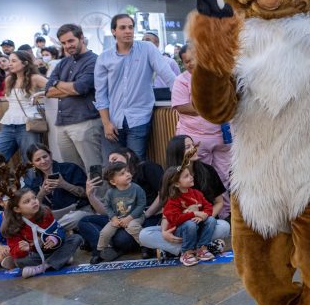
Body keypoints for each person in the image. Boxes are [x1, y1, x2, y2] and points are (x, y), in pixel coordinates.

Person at [94, 14, 177, 161]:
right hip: (113, 120)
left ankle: (136, 185)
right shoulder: (104, 57)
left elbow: (169, 77)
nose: (128, 31)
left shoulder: (147, 49)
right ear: (114, 31)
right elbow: (101, 94)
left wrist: (183, 99)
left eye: (131, 27)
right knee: (113, 166)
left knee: (135, 165)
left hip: (139, 118)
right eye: (123, 27)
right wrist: (106, 123)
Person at [78, 147, 163, 263]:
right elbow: (105, 211)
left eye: (114, 158)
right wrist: (91, 195)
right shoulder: (115, 182)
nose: (112, 163)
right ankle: (104, 250)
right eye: (110, 162)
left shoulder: (146, 167)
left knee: (121, 239)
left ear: (127, 155)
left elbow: (163, 193)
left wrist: (146, 214)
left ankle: (106, 246)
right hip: (119, 219)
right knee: (84, 221)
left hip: (143, 216)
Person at [45, 24, 103, 173]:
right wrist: (70, 88)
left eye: (71, 41)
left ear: (81, 38)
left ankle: (98, 197)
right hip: (62, 124)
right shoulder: (64, 62)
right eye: (63, 43)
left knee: (94, 170)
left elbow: (80, 88)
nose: (67, 46)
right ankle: (79, 197)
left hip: (86, 122)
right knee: (72, 172)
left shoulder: (94, 60)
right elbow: (48, 91)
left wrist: (57, 83)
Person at [171, 44, 231, 185]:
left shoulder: (220, 75)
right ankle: (205, 206)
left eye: (195, 58)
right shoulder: (181, 80)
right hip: (196, 138)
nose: (192, 63)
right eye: (187, 61)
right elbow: (182, 107)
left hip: (223, 137)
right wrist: (210, 107)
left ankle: (225, 207)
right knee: (200, 176)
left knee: (224, 177)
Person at [3, 187, 82, 278]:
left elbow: (59, 230)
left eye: (34, 198)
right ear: (17, 209)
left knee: (76, 238)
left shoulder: (45, 213)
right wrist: (23, 249)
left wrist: (55, 238)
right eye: (27, 201)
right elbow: (14, 250)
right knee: (19, 261)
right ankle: (62, 258)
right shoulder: (14, 226)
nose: (34, 202)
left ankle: (41, 268)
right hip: (37, 255)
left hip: (55, 248)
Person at [0, 51, 47, 161]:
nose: (10, 64)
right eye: (9, 61)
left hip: (28, 125)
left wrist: (40, 93)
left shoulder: (35, 78)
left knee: (30, 161)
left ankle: (32, 179)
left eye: (14, 61)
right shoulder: (9, 79)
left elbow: (55, 88)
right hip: (8, 125)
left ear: (25, 63)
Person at [23, 143, 90, 230]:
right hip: (55, 217)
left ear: (50, 155)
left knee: (77, 217)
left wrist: (64, 185)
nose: (43, 161)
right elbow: (35, 209)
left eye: (45, 157)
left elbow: (86, 193)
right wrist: (42, 193)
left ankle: (51, 231)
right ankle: (54, 231)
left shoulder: (70, 168)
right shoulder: (35, 182)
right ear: (32, 163)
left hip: (77, 211)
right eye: (38, 160)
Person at [161, 163, 216, 266]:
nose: (191, 177)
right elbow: (175, 219)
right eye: (186, 176)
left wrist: (204, 215)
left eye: (190, 174)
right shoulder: (172, 200)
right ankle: (187, 253)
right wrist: (194, 213)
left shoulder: (196, 193)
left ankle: (201, 249)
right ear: (177, 184)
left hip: (197, 226)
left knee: (212, 220)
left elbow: (208, 206)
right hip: (181, 230)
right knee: (190, 224)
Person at [97, 161, 146, 261]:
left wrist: (129, 218)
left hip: (136, 216)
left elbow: (141, 205)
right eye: (122, 174)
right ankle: (100, 251)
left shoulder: (136, 188)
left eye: (127, 171)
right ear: (113, 182)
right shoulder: (110, 193)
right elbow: (108, 206)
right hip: (118, 218)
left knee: (133, 227)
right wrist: (113, 218)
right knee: (104, 232)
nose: (128, 174)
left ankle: (145, 247)